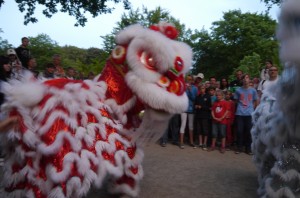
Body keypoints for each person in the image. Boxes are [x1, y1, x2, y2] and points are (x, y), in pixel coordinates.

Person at [234, 74, 258, 155]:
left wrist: (252, 109)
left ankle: (248, 148)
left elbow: (255, 101)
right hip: (240, 113)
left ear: (249, 80)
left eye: (247, 77)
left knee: (249, 131)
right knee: (239, 131)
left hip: (249, 113)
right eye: (244, 78)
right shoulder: (238, 90)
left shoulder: (253, 90)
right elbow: (236, 101)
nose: (245, 79)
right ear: (242, 80)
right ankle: (239, 147)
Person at [179, 75, 198, 149]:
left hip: (191, 108)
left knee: (191, 126)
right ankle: (181, 142)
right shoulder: (183, 86)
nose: (189, 80)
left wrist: (190, 90)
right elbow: (180, 96)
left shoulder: (195, 88)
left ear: (193, 80)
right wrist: (185, 89)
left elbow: (194, 98)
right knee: (183, 125)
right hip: (183, 108)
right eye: (188, 79)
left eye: (191, 79)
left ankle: (191, 142)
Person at [194, 85, 211, 150]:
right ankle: (200, 143)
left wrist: (202, 107)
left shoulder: (208, 96)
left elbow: (210, 107)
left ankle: (205, 143)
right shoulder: (197, 97)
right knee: (199, 130)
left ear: (205, 89)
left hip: (205, 116)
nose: (202, 90)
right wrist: (196, 106)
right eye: (200, 88)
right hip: (198, 115)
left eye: (203, 88)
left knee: (205, 130)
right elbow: (195, 105)